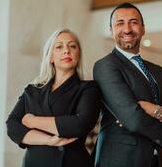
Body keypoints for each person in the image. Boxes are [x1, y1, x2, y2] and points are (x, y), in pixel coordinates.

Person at [93, 2, 162, 167]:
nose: (127, 29)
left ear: (143, 29)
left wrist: (158, 111)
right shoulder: (106, 66)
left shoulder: (157, 71)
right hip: (118, 161)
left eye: (133, 22)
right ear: (111, 31)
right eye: (120, 23)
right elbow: (133, 119)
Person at [6, 29, 101, 167]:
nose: (66, 51)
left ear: (78, 55)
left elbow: (80, 124)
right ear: (50, 57)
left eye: (72, 46)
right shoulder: (33, 89)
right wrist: (48, 140)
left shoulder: (89, 88)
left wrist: (32, 121)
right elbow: (12, 125)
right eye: (59, 47)